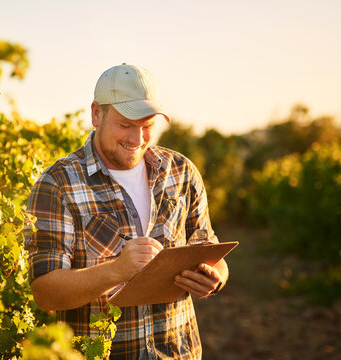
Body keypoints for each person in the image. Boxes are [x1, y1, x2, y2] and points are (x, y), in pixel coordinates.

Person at [24, 63, 229, 359]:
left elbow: (209, 249)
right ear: (97, 114)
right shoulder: (58, 184)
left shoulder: (181, 172)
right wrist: (117, 270)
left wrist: (215, 277)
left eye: (147, 127)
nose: (137, 139)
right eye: (125, 125)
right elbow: (45, 293)